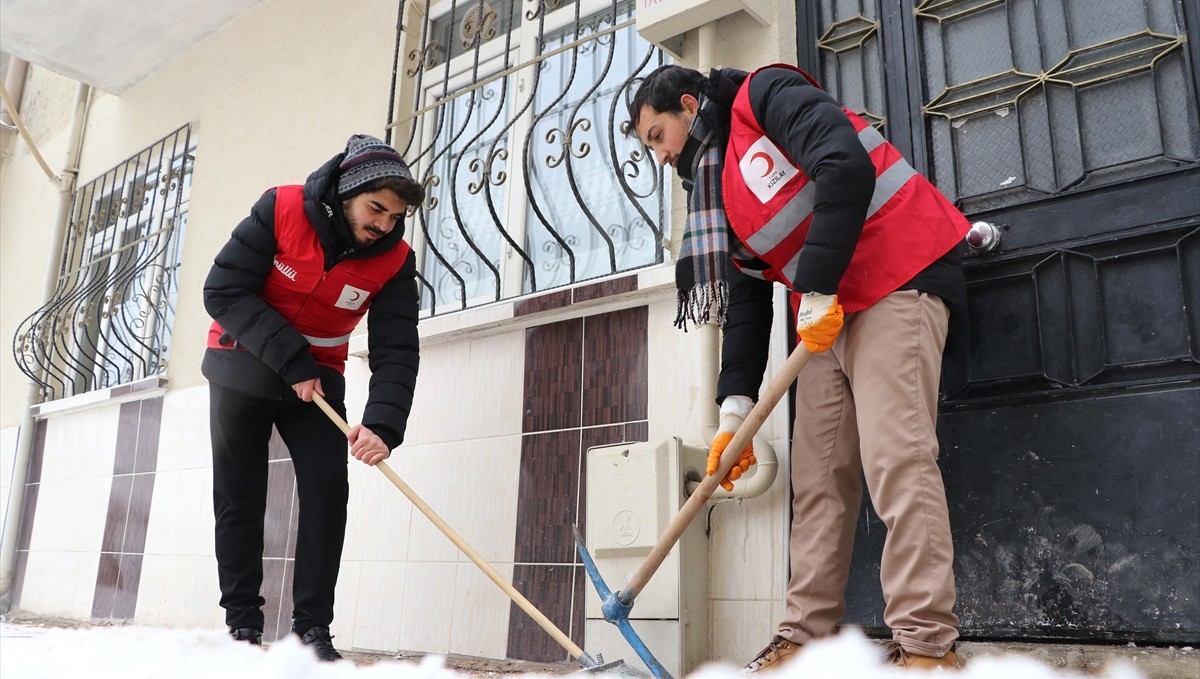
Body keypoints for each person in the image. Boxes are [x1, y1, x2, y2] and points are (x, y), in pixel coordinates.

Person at [630, 64, 969, 671]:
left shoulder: (764, 97)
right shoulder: (714, 188)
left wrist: (812, 290)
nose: (659, 156)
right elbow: (748, 301)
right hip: (826, 313)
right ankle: (803, 636)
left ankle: (927, 647)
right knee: (818, 481)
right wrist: (733, 417)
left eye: (657, 136)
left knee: (896, 459)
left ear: (687, 105)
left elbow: (846, 165)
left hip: (897, 275)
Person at [202, 134, 423, 661]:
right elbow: (223, 289)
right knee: (241, 495)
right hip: (241, 365)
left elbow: (398, 348)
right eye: (376, 209)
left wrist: (383, 426)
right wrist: (292, 359)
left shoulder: (394, 260)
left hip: (318, 384)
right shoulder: (280, 208)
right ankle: (242, 627)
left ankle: (311, 632)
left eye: (395, 217)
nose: (384, 225)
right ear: (346, 194)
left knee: (327, 491)